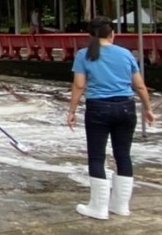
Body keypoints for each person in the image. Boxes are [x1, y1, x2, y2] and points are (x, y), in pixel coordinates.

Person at [66, 17, 156, 220]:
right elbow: (139, 85)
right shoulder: (125, 53)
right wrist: (148, 109)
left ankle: (98, 208)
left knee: (97, 157)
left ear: (90, 35)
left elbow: (79, 85)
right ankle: (121, 206)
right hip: (126, 107)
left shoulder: (83, 55)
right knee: (123, 155)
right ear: (112, 34)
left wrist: (71, 111)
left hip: (98, 108)